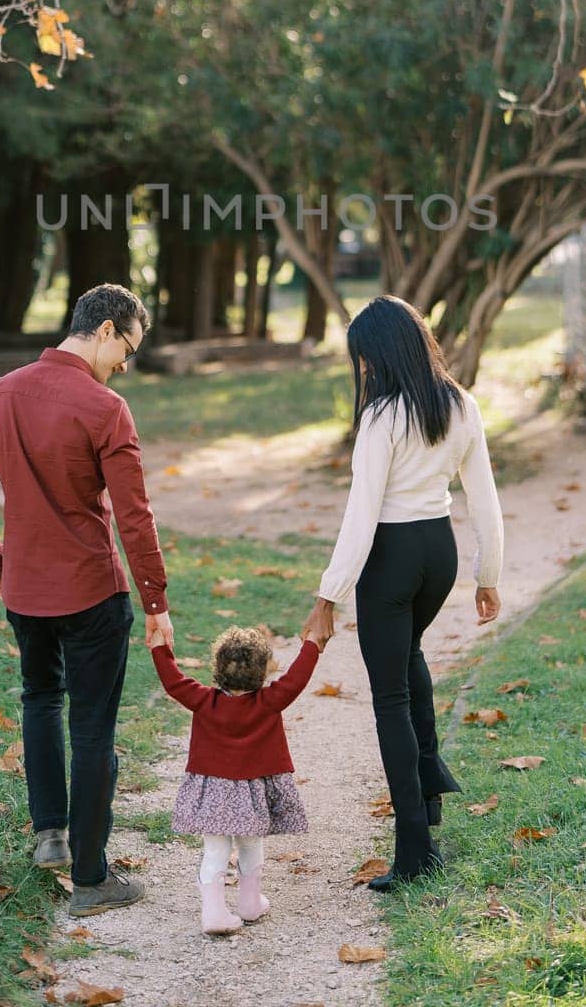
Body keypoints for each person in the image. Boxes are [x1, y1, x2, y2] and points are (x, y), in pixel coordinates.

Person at [0, 282, 173, 918]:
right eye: (127, 347)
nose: (125, 364)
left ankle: (50, 834)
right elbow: (135, 518)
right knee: (93, 726)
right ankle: (91, 877)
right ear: (104, 330)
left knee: (40, 699)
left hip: (25, 592)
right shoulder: (106, 409)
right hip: (90, 593)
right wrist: (156, 601)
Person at [302, 295, 503, 891]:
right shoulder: (460, 403)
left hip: (390, 559)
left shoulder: (382, 417)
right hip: (437, 554)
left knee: (389, 697)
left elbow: (361, 515)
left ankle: (415, 850)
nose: (362, 370)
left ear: (382, 354)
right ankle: (431, 799)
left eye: (364, 359)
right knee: (410, 658)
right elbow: (484, 498)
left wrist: (326, 597)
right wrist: (488, 573)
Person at [149, 621, 323, 934]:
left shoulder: (203, 700)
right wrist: (312, 644)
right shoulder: (270, 702)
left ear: (217, 669)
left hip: (211, 790)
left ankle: (214, 913)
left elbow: (173, 682)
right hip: (253, 793)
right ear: (264, 671)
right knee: (250, 844)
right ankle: (249, 904)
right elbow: (297, 679)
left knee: (215, 851)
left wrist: (160, 647)